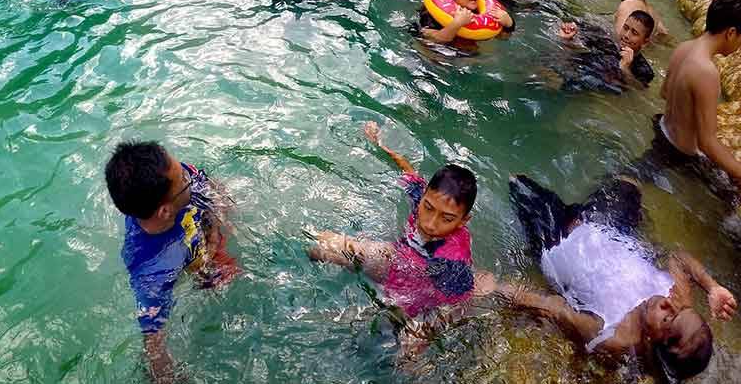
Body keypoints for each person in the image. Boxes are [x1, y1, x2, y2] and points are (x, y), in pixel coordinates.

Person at [498, 174, 735, 382]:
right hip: (608, 227)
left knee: (518, 183)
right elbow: (679, 259)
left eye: (667, 318)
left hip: (558, 243)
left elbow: (554, 309)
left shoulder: (613, 337)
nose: (669, 302)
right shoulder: (677, 300)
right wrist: (712, 287)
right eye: (682, 309)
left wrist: (497, 288)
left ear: (652, 342)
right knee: (629, 180)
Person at [310, 122, 484, 319]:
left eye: (447, 218)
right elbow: (408, 171)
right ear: (424, 196)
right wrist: (377, 142)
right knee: (322, 245)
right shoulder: (421, 198)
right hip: (393, 261)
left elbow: (458, 302)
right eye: (428, 208)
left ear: (463, 221)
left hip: (413, 296)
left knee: (398, 335)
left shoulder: (454, 259)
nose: (430, 223)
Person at [106, 141, 239, 384]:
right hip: (185, 264)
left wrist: (217, 232)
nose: (189, 176)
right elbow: (154, 345)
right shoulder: (151, 268)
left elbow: (210, 187)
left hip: (202, 241)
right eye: (184, 179)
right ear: (165, 211)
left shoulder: (173, 177)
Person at [658, 0, 741, 190]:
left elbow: (664, 93)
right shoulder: (706, 71)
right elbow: (707, 143)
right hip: (680, 156)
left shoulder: (684, 48)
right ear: (731, 33)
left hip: (661, 132)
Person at [555, 10, 656, 93]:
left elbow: (638, 89)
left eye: (634, 33)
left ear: (645, 42)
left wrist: (625, 69)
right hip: (571, 68)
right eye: (625, 28)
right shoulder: (606, 42)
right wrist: (567, 38)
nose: (626, 35)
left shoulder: (644, 70)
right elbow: (577, 43)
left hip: (584, 85)